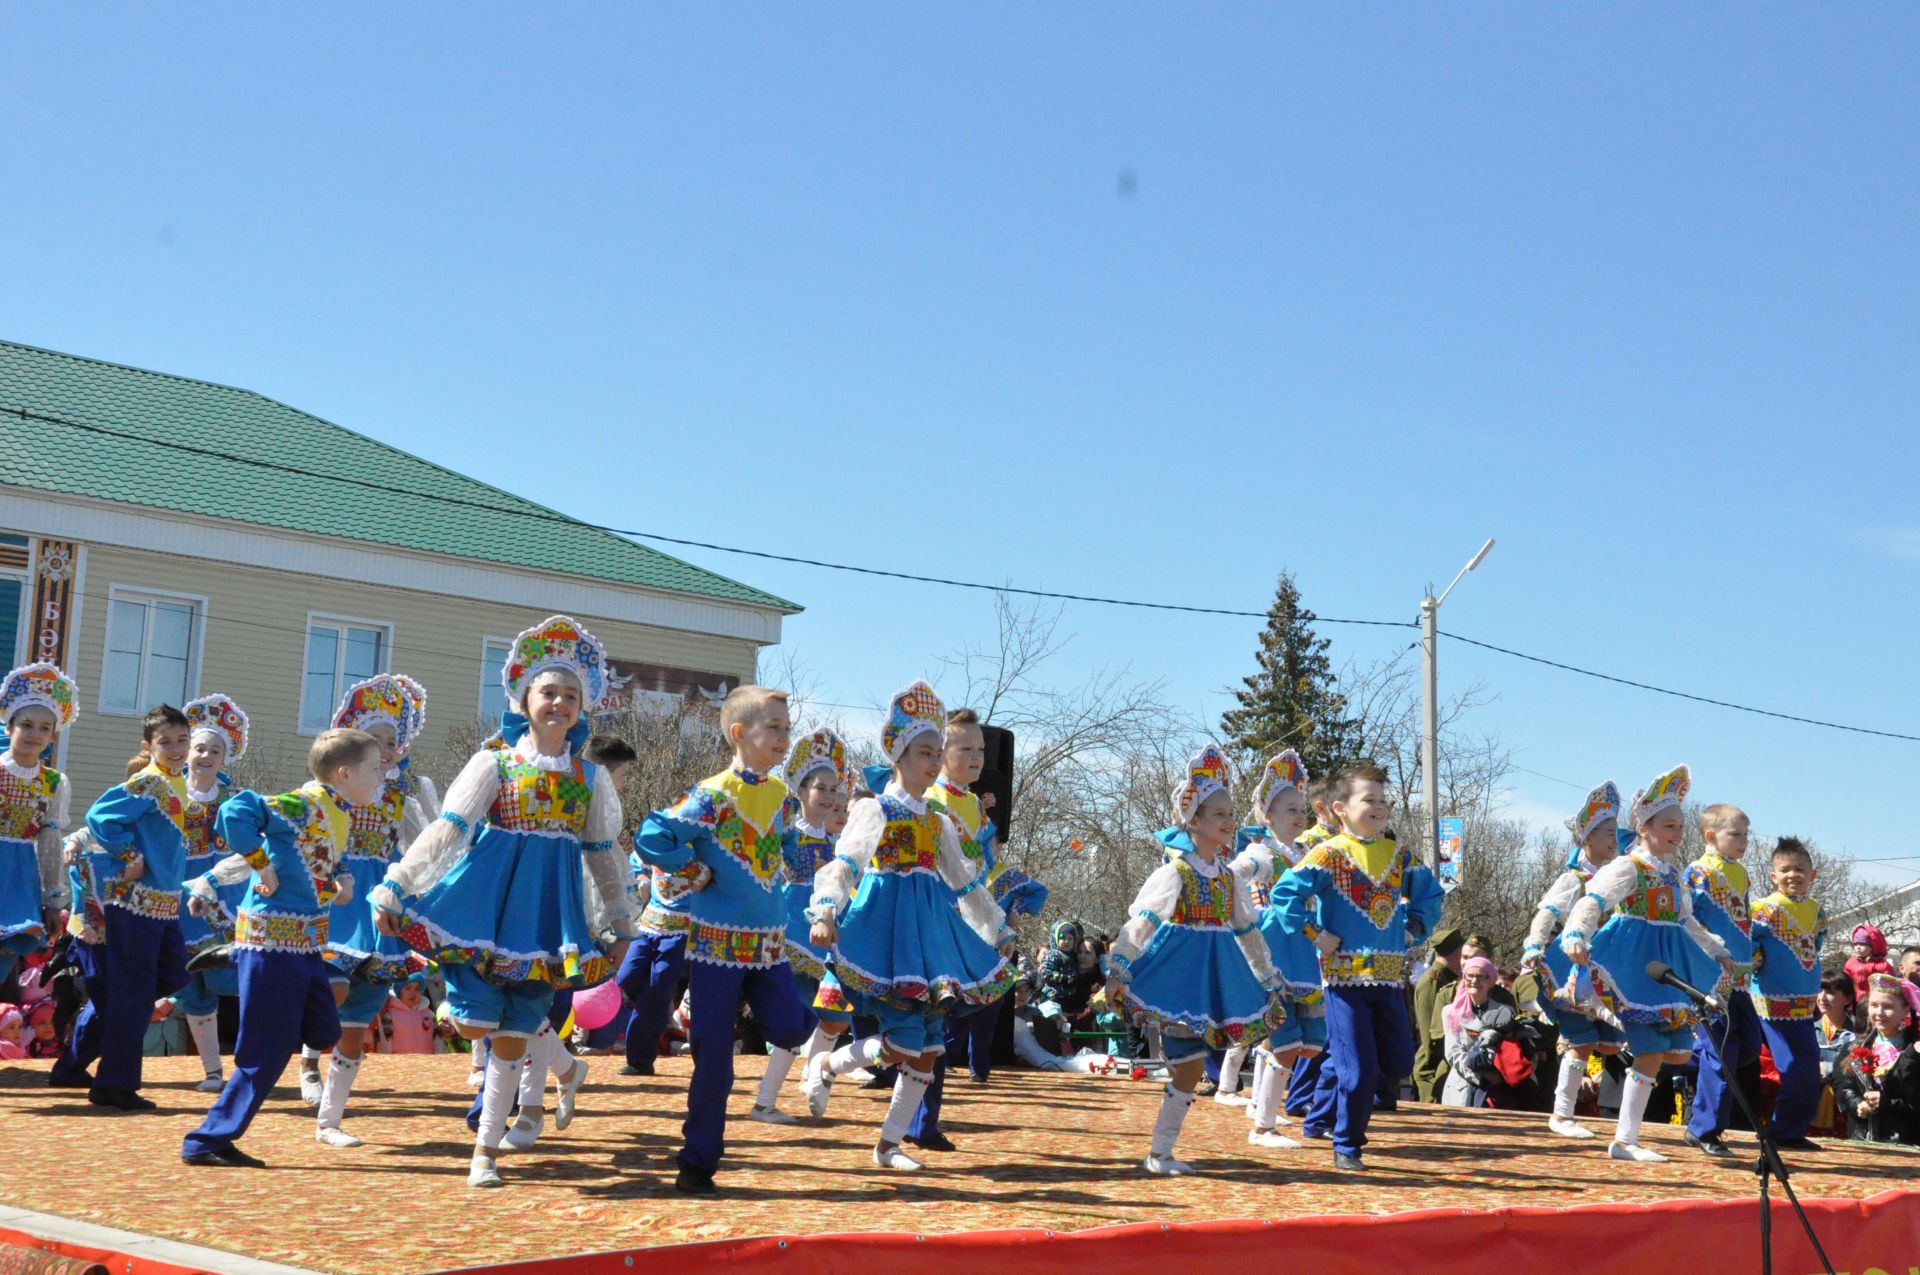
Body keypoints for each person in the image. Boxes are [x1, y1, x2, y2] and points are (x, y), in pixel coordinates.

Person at [369, 615, 638, 1188]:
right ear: (524, 697)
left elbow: (602, 854)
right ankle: (565, 1070)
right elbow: (447, 829)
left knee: (515, 1035)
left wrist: (620, 922)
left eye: (571, 695)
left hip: (548, 912)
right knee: (472, 1026)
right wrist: (397, 883)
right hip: (484, 902)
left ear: (581, 706)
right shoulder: (496, 762)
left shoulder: (590, 778)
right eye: (548, 691)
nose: (559, 702)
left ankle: (485, 1150)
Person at [802, 681, 1016, 1173]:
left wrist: (995, 929)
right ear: (896, 753)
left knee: (928, 1053)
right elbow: (844, 864)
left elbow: (965, 883)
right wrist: (827, 910)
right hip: (882, 930)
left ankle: (888, 1145)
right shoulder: (875, 809)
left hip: (928, 938)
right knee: (902, 1043)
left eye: (937, 752)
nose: (933, 760)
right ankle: (826, 1064)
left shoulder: (938, 822)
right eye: (924, 751)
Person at [634, 685, 818, 1195]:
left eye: (787, 726)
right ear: (740, 734)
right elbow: (652, 837)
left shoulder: (782, 797)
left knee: (790, 1029)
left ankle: (821, 1036)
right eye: (774, 727)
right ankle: (697, 1162)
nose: (785, 735)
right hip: (715, 947)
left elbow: (786, 849)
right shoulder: (712, 795)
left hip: (770, 946)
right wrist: (694, 869)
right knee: (713, 1056)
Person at [180, 728, 384, 1167]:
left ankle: (219, 1129)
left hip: (304, 944)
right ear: (345, 773)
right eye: (375, 768)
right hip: (271, 941)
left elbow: (319, 855)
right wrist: (261, 865)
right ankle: (207, 1140)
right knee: (266, 1048)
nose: (382, 776)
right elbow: (235, 811)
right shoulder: (302, 802)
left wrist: (342, 876)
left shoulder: (338, 811)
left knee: (324, 1028)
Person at [1102, 743, 1287, 1175]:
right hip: (1178, 971)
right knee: (1186, 1066)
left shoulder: (1227, 879)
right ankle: (1160, 1153)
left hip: (1217, 973)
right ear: (1195, 821)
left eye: (1231, 813)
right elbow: (1143, 921)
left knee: (1189, 1068)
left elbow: (1247, 931)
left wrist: (1266, 976)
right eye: (1219, 814)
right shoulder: (1177, 871)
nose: (1229, 821)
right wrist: (1119, 965)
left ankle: (1161, 1152)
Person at [1269, 761, 1444, 1172]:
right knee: (1359, 1069)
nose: (1380, 807)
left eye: (1384, 800)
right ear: (1339, 808)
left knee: (1398, 1061)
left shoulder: (1399, 855)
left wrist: (1413, 928)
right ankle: (1347, 1145)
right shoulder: (1328, 854)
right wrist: (1315, 934)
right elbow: (1284, 895)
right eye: (1370, 800)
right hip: (1344, 981)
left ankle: (1320, 1116)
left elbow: (1429, 895)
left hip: (1387, 979)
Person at [1562, 764, 1737, 1162]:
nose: (1677, 834)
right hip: (1634, 963)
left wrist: (1717, 949)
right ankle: (1625, 1140)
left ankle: (1628, 1132)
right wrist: (1576, 933)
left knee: (1676, 1052)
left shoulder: (1675, 876)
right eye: (1669, 826)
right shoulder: (1628, 866)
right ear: (1644, 828)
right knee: (1650, 1051)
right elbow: (1593, 900)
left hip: (1668, 967)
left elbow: (1686, 920)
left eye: (1680, 827)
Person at [305, 674, 438, 1146]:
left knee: (361, 1007)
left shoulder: (405, 790)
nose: (387, 751)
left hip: (379, 895)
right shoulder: (324, 791)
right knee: (334, 987)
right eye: (376, 743)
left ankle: (329, 1120)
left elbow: (427, 841)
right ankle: (306, 1059)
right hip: (338, 896)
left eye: (391, 743)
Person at [907, 708, 1046, 1153]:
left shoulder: (973, 804)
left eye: (980, 749)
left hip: (968, 921)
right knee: (926, 1022)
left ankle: (921, 1122)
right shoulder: (931, 801)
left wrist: (1009, 904)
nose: (976, 756)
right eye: (964, 747)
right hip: (934, 917)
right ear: (940, 752)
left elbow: (987, 866)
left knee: (945, 1020)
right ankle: (891, 1092)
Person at [76, 703, 196, 1112]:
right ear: (149, 745)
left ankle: (104, 1050)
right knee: (136, 991)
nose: (176, 748)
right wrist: (130, 854)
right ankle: (115, 1084)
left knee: (170, 973)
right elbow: (99, 816)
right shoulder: (148, 782)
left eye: (182, 740)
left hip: (163, 903)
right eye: (166, 742)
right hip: (134, 903)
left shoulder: (175, 782)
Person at [1520, 780, 1627, 1139]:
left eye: (1616, 832)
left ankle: (1627, 1126)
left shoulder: (1622, 876)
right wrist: (1534, 945)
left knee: (1615, 1044)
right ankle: (1562, 1115)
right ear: (1588, 839)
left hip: (1609, 969)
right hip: (1573, 970)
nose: (1614, 839)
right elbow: (1547, 913)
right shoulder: (1575, 878)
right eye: (1608, 833)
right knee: (1580, 1042)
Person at [1231, 750, 1327, 1148]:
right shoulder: (1262, 852)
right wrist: (1245, 914)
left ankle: (1261, 1106)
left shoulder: (1303, 853)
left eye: (1301, 808)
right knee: (1285, 1039)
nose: (1299, 815)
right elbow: (1235, 875)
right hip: (1274, 948)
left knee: (1307, 1041)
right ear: (1267, 815)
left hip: (1302, 947)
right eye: (1290, 808)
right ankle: (1264, 1127)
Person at [173, 694, 249, 1093]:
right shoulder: (169, 796)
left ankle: (250, 1065)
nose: (206, 755)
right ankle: (212, 1071)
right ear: (187, 751)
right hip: (175, 896)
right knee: (192, 989)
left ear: (225, 757)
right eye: (200, 747)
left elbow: (249, 851)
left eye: (215, 750)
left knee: (233, 980)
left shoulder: (233, 802)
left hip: (221, 898)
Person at [778, 728, 854, 1115]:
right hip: (789, 933)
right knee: (794, 1016)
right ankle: (766, 1097)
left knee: (837, 1015)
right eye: (820, 788)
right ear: (802, 790)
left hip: (827, 940)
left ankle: (813, 1073)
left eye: (832, 790)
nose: (827, 797)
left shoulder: (839, 847)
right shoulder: (785, 835)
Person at [1681, 802, 1760, 1160]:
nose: (1744, 840)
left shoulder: (1741, 873)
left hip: (1741, 975)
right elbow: (1686, 919)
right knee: (1723, 1053)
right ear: (1711, 836)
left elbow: (1742, 918)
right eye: (1736, 834)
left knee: (1750, 1046)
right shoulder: (1697, 872)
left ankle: (1679, 1059)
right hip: (1713, 975)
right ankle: (1704, 1129)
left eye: (1746, 834)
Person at [0, 664, 77, 995]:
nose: (34, 733)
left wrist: (52, 900)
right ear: (10, 725)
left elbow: (49, 843)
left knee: (5, 959)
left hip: (20, 877)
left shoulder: (53, 782)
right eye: (26, 724)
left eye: (45, 727)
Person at [1746, 837, 1827, 1150]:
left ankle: (1788, 1129)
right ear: (1773, 876)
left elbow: (1818, 942)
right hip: (1773, 1000)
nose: (1793, 875)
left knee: (1805, 1066)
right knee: (1799, 1066)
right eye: (1785, 869)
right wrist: (1761, 966)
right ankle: (1783, 1131)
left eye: (1800, 869)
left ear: (1812, 874)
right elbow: (1748, 944)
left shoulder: (1816, 910)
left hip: (1804, 1001)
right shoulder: (1763, 909)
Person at [1831, 973, 1920, 1144]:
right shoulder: (1854, 1047)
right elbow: (1843, 1086)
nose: (1879, 1012)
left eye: (1888, 1007)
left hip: (1907, 1140)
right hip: (1863, 1136)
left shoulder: (1914, 1050)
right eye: (1874, 1005)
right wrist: (1857, 1104)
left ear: (1906, 1011)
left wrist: (1887, 1103)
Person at [1411, 927, 1465, 1104]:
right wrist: (1436, 1066)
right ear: (1458, 953)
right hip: (1432, 1070)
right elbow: (1429, 1035)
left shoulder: (1448, 978)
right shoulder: (1433, 981)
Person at [1811, 973, 1858, 1138]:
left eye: (1830, 992)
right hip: (1810, 1101)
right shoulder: (1807, 1028)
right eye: (1820, 990)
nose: (1822, 997)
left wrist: (1827, 1069)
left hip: (1843, 1107)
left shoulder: (1858, 1033)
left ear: (1847, 999)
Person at [378, 975, 439, 1054]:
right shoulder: (390, 1015)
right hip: (400, 1062)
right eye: (407, 988)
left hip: (426, 1062)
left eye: (417, 989)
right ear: (399, 992)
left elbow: (438, 1039)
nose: (412, 993)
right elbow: (384, 1042)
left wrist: (439, 1056)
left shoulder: (428, 1014)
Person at [1843, 925, 1894, 1005]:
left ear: (1873, 946)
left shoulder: (1882, 965)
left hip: (1874, 1002)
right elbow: (1845, 980)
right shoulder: (1851, 962)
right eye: (1855, 944)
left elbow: (1889, 985)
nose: (1858, 947)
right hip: (1854, 1000)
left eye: (1862, 944)